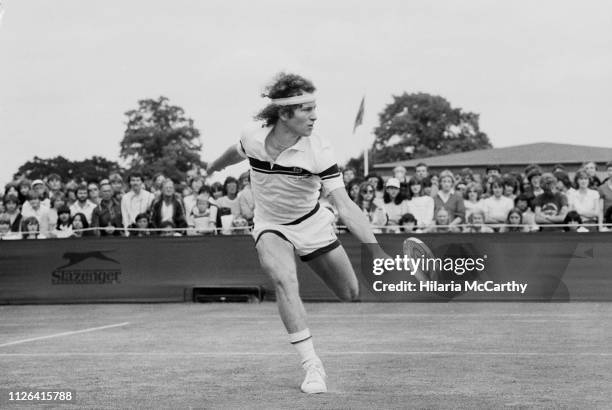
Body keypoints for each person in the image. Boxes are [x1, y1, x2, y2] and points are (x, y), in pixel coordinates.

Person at [206, 72, 408, 394]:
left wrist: (376, 250)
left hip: (312, 223)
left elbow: (344, 205)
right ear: (284, 113)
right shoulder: (253, 136)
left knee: (350, 293)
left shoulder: (319, 151)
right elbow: (236, 151)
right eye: (306, 109)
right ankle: (312, 365)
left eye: (315, 108)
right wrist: (214, 166)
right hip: (271, 224)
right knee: (284, 281)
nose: (315, 116)